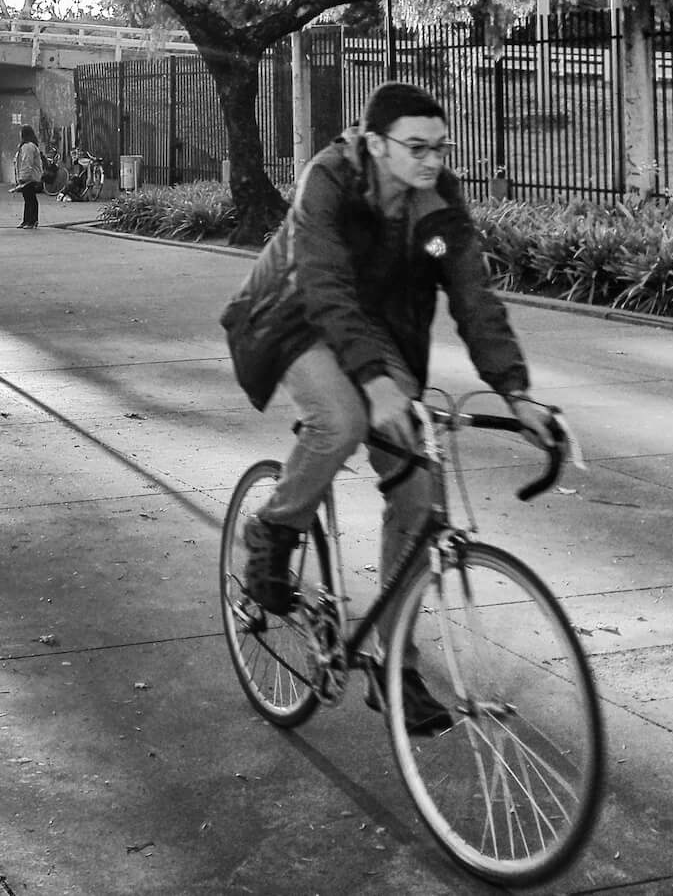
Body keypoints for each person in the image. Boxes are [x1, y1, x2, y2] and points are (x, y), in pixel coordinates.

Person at [237, 81, 559, 736]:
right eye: (416, 146)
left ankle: (395, 668)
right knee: (345, 418)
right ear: (375, 142)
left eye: (441, 146)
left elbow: (475, 298)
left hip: (377, 336)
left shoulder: (438, 200)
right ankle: (272, 526)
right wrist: (378, 385)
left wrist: (517, 392)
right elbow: (324, 286)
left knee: (419, 489)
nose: (432, 159)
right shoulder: (327, 179)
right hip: (291, 317)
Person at [10, 126, 46, 228]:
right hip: (29, 175)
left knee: (30, 198)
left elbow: (27, 162)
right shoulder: (27, 146)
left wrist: (24, 177)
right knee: (28, 198)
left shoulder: (28, 147)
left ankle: (32, 220)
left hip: (29, 176)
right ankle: (27, 220)